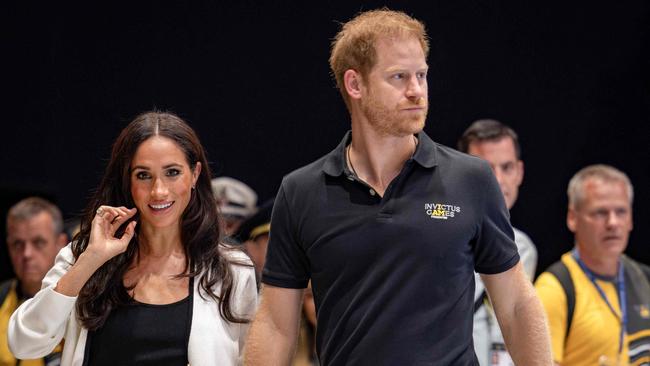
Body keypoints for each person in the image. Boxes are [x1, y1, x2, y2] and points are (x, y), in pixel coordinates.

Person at [245, 9, 551, 365]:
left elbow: (515, 305)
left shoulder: (471, 180)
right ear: (355, 84)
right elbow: (276, 325)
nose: (416, 91)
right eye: (399, 77)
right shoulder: (301, 192)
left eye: (422, 75)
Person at [8, 111, 257, 365]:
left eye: (172, 172)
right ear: (127, 181)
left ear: (194, 175)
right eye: (143, 175)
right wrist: (89, 261)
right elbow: (24, 343)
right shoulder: (83, 257)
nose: (158, 191)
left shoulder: (231, 270)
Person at [535, 165, 650, 366]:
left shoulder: (645, 279)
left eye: (621, 212)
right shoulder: (554, 289)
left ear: (631, 219)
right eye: (600, 213)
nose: (613, 222)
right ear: (572, 218)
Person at [458, 119, 538, 365]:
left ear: (520, 172)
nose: (498, 181)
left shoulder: (523, 248)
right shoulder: (439, 236)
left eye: (507, 167)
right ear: (460, 172)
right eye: (486, 169)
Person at [1, 197, 68, 366]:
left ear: (61, 244)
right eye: (18, 244)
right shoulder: (2, 298)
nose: (27, 254)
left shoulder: (83, 306)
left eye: (38, 242)